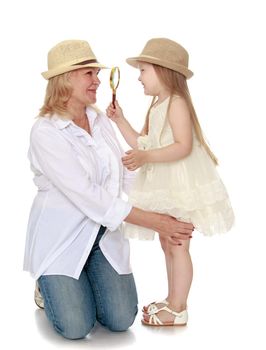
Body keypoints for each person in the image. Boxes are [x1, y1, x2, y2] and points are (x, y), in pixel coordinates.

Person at [23, 39, 194, 340]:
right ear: (66, 78)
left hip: (102, 236)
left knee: (121, 318)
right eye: (89, 73)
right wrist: (155, 222)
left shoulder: (99, 120)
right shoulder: (46, 131)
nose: (98, 80)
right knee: (76, 327)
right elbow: (89, 195)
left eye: (97, 73)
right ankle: (47, 283)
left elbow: (124, 174)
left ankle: (79, 281)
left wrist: (166, 214)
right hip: (63, 239)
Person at [106, 38, 235, 327]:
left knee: (177, 243)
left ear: (162, 71)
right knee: (167, 242)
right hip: (164, 183)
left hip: (179, 183)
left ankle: (179, 307)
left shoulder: (176, 103)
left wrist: (145, 156)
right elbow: (142, 141)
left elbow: (183, 146)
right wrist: (120, 120)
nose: (139, 77)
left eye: (143, 70)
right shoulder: (157, 105)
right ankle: (172, 298)